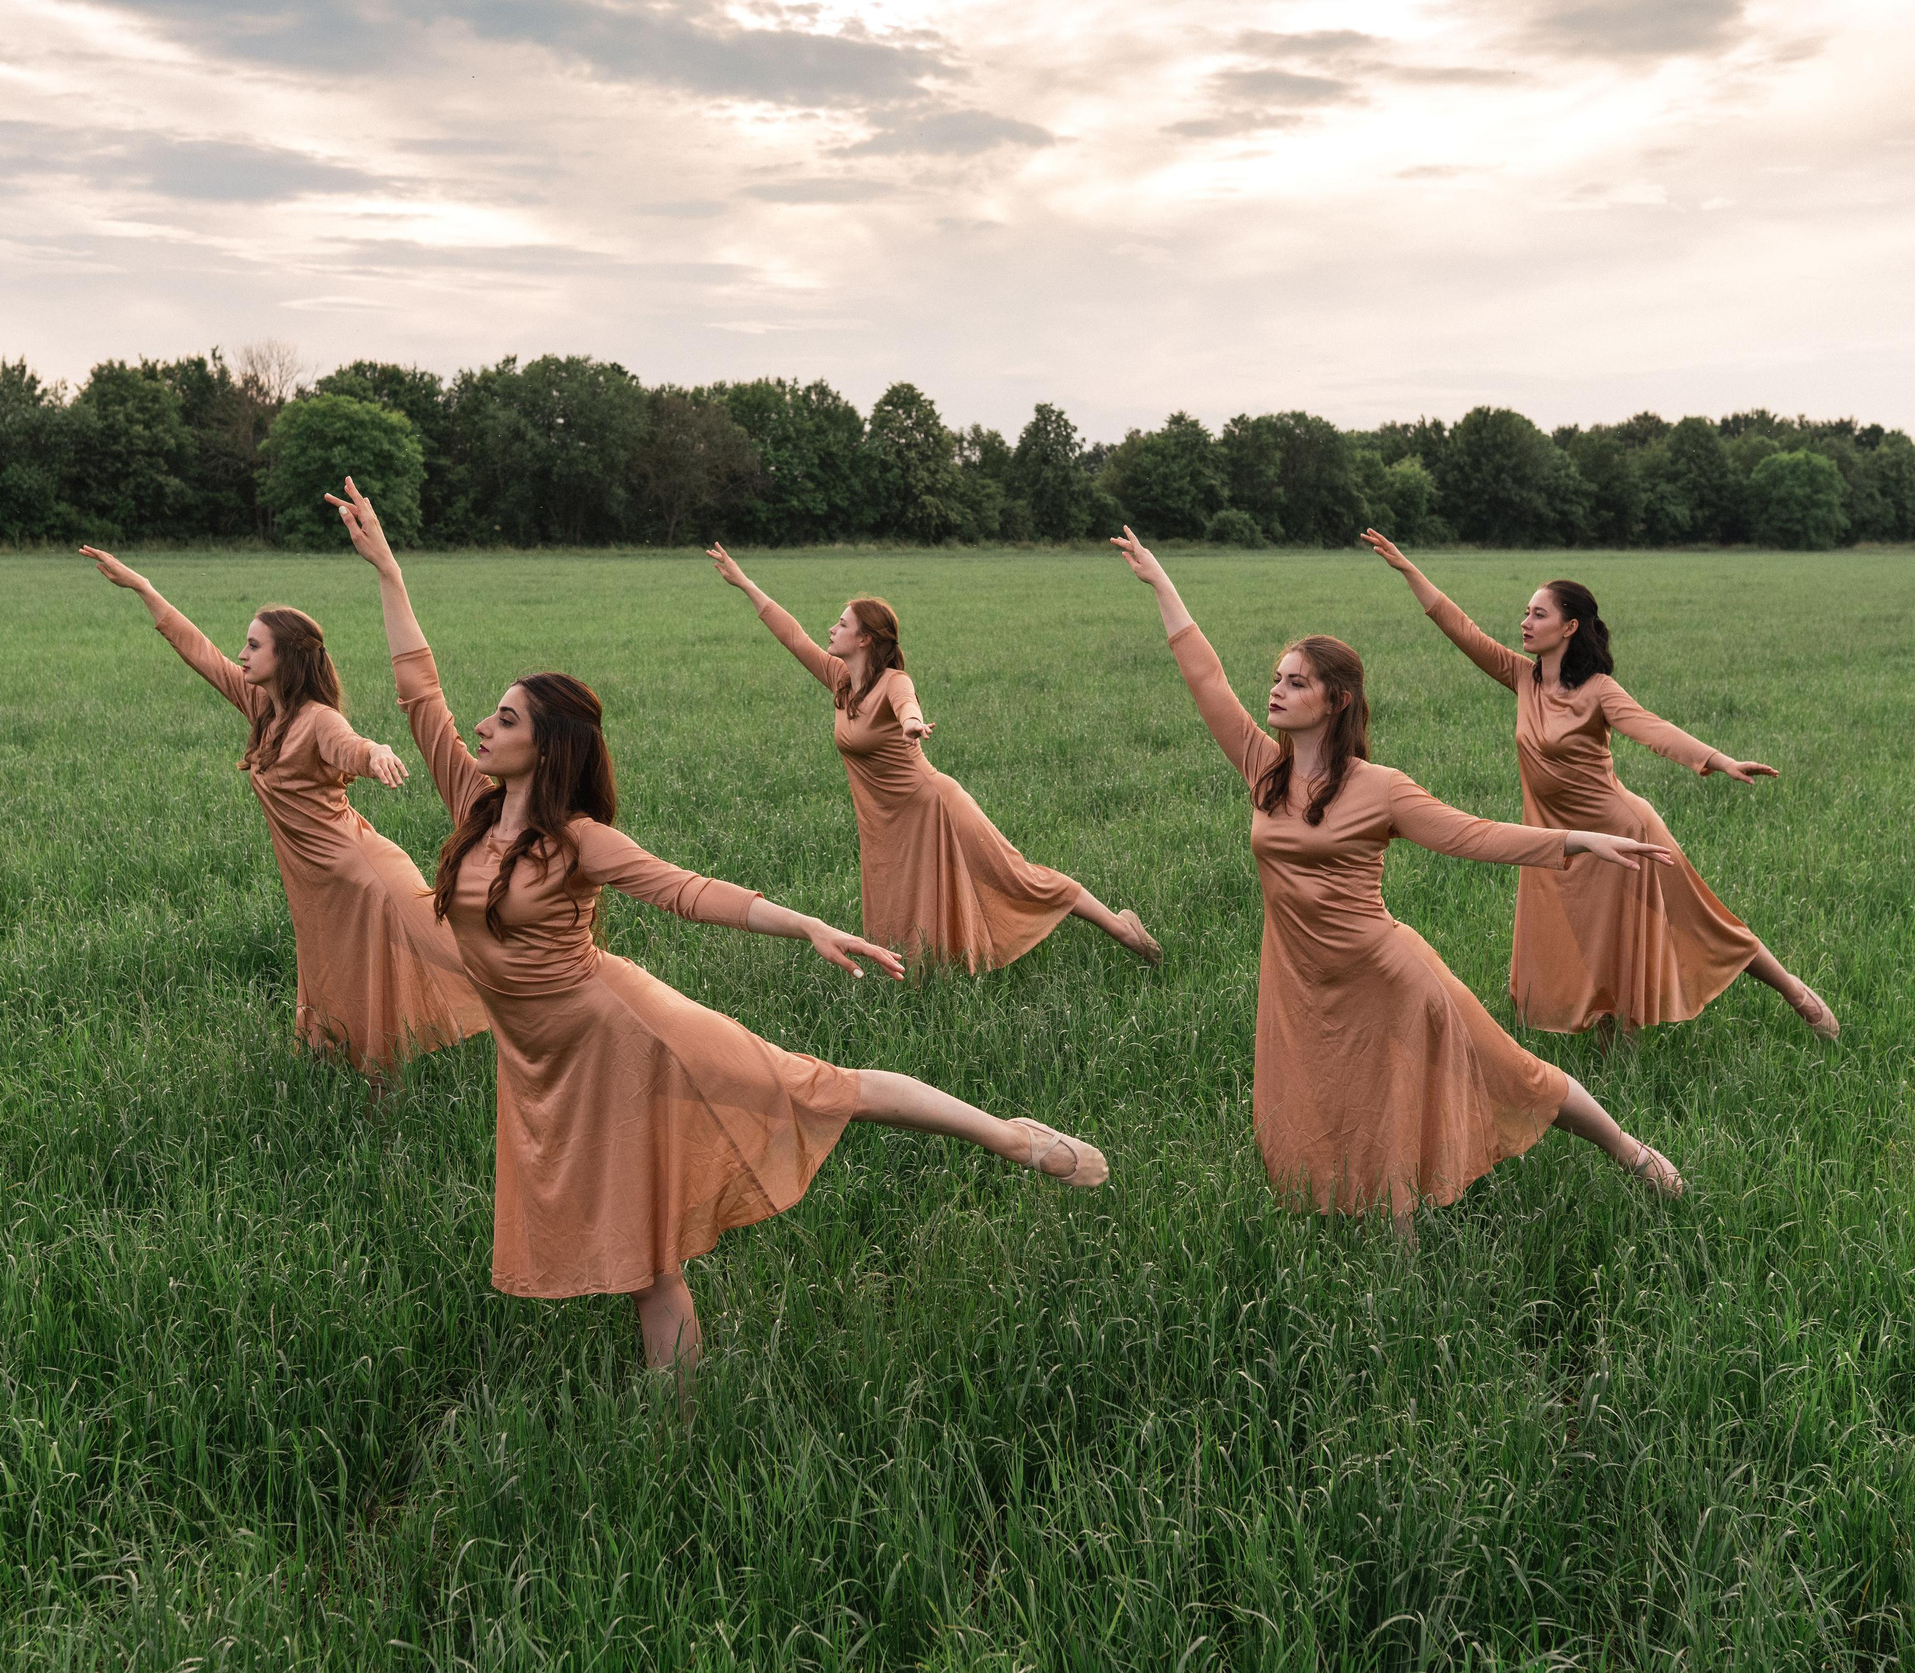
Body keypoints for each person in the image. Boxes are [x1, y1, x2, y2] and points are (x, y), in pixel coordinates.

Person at [328, 482, 1107, 1369]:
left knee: (815, 1088)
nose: (480, 724)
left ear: (545, 747)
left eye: (504, 719)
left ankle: (1009, 1136)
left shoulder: (581, 839)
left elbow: (689, 891)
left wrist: (807, 923)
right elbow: (415, 688)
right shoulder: (471, 798)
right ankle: (675, 1428)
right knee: (641, 1261)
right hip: (539, 1057)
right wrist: (388, 569)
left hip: (625, 1031)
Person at [1108, 528, 1686, 1232]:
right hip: (1300, 978)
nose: (1277, 690)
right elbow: (1204, 675)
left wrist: (1580, 839)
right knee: (1338, 1100)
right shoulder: (1264, 768)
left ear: (1337, 700)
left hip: (1388, 974)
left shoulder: (1379, 790)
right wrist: (1162, 582)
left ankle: (1629, 1151)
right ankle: (1390, 1243)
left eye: (1297, 682)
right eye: (1277, 678)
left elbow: (1473, 834)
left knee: (1516, 1076)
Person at [1360, 529, 1838, 1042]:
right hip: (1557, 838)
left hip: (1625, 832)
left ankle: (1796, 994)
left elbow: (1650, 727)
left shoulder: (1598, 690)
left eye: (1538, 614)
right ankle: (1615, 1050)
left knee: (1702, 923)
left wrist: (1717, 759)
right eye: (1526, 612)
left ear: (1569, 626)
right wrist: (1410, 570)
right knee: (1588, 939)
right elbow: (1462, 630)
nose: (1525, 622)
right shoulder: (1524, 678)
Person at [78, 548, 488, 1073]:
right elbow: (199, 652)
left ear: (286, 656)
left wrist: (377, 754)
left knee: (453, 955)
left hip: (362, 877)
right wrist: (143, 587)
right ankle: (337, 1067)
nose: (242, 654)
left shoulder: (318, 720)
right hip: (318, 882)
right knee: (332, 969)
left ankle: (524, 1005)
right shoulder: (263, 708)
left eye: (253, 645)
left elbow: (353, 746)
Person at [709, 546, 1161, 972]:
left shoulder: (893, 681)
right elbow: (793, 635)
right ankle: (924, 974)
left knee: (1020, 878)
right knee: (906, 896)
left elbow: (907, 704)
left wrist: (912, 724)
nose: (831, 629)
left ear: (865, 640)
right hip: (890, 818)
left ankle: (1124, 930)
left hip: (935, 805)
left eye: (842, 624)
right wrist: (745, 583)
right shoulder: (840, 680)